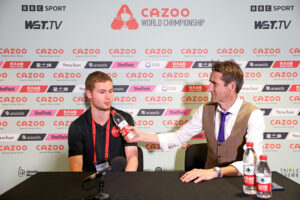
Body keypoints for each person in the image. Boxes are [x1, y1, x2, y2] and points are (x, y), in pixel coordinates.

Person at [125, 60, 264, 183]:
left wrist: (216, 172)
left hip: (240, 184)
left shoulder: (254, 115)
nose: (209, 88)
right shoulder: (205, 109)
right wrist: (142, 136)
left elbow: (252, 162)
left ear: (231, 86)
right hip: (209, 185)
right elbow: (178, 136)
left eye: (214, 83)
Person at [68, 71, 138, 172]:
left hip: (121, 181)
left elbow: (132, 157)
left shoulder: (124, 119)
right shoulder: (77, 126)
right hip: (90, 184)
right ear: (89, 94)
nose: (108, 96)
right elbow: (76, 169)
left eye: (110, 91)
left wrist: (126, 182)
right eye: (102, 92)